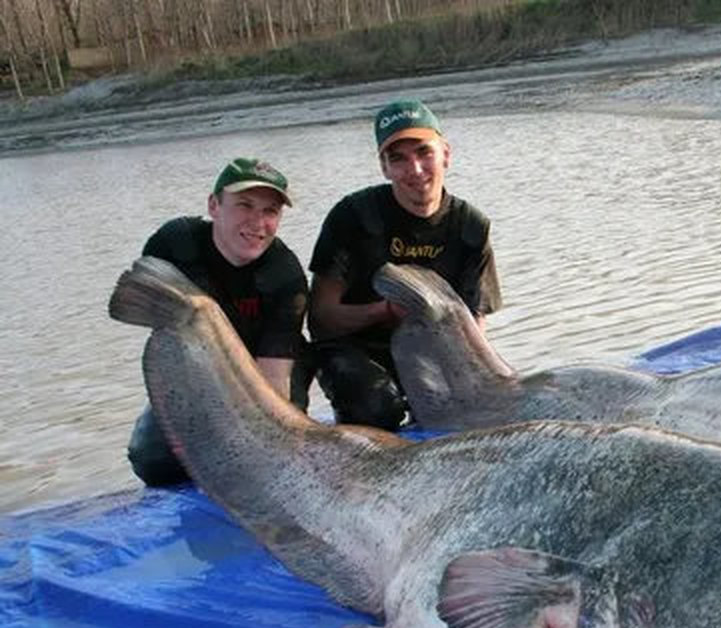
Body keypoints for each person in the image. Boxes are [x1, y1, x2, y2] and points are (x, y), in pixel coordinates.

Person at [307, 98, 503, 430]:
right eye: (398, 159)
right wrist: (384, 311)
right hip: (357, 348)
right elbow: (321, 320)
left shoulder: (471, 227)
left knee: (484, 405)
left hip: (434, 348)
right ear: (384, 167)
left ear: (445, 154)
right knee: (377, 408)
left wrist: (474, 382)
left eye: (424, 152)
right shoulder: (352, 216)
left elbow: (475, 325)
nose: (414, 170)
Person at [126, 158, 311, 486]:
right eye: (244, 205)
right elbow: (139, 310)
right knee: (153, 460)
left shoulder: (285, 275)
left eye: (270, 211)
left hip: (262, 371)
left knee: (272, 449)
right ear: (214, 205)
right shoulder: (174, 245)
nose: (258, 223)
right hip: (194, 371)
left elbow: (274, 375)